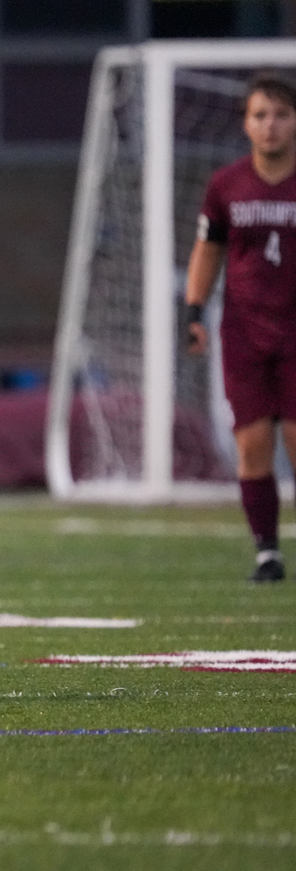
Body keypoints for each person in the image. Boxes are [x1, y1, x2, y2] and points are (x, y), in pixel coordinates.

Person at [186, 71, 296, 583]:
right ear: (246, 124)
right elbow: (209, 250)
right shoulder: (226, 185)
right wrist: (193, 310)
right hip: (246, 333)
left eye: (280, 115)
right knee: (253, 445)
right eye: (260, 116)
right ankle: (266, 552)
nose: (270, 126)